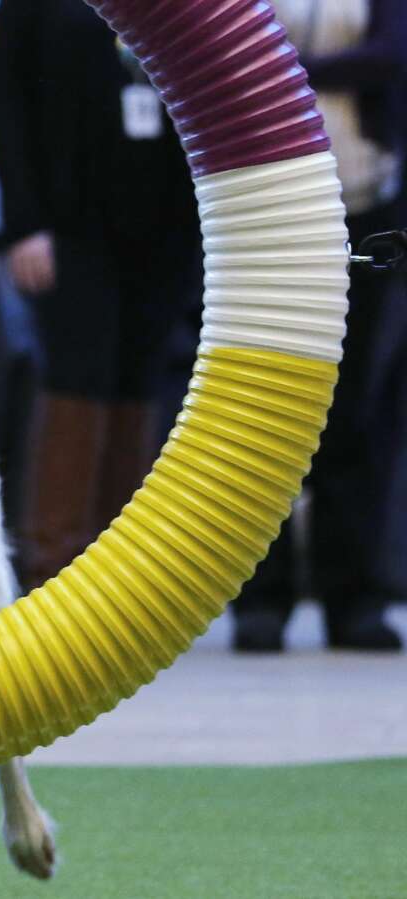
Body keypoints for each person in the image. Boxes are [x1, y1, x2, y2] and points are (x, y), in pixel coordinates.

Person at [0, 0, 203, 591]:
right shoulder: (29, 10)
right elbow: (8, 106)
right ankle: (51, 572)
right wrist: (23, 223)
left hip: (167, 220)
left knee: (140, 378)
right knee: (78, 375)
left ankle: (118, 579)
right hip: (69, 226)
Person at [231, 0, 407, 652]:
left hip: (364, 207)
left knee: (356, 412)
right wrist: (325, 70)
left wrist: (289, 70)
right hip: (264, 215)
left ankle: (355, 596)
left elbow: (389, 56)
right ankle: (261, 596)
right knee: (262, 409)